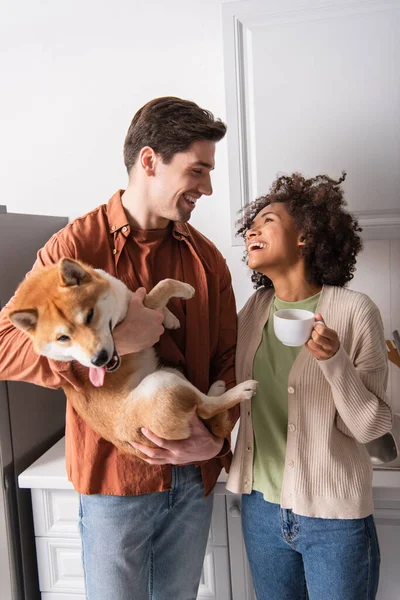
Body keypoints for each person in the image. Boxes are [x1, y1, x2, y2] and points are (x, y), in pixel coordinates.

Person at [0, 97, 238, 600]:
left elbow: (227, 361)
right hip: (113, 484)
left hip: (193, 481)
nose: (208, 188)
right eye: (198, 170)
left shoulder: (208, 259)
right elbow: (4, 345)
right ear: (150, 161)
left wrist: (216, 442)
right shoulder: (73, 248)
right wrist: (108, 343)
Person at [226, 173, 393, 600]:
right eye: (251, 225)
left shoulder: (355, 311)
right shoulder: (253, 311)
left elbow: (371, 428)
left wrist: (334, 362)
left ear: (306, 236)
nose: (251, 231)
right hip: (261, 508)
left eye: (267, 220)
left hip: (334, 517)